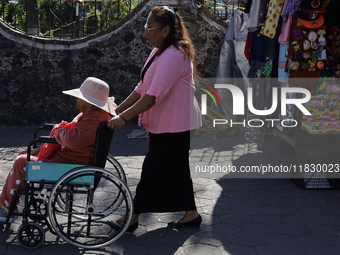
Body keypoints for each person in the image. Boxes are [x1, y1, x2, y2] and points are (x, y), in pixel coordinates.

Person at [107, 6, 202, 232]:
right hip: (167, 123)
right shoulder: (159, 51)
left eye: (150, 28)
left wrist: (123, 118)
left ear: (166, 30)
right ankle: (191, 213)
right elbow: (142, 87)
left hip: (174, 125)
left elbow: (152, 96)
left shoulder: (174, 55)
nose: (146, 32)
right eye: (145, 27)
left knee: (152, 171)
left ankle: (132, 217)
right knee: (177, 169)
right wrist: (116, 109)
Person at [0, 77, 116, 222]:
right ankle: (12, 200)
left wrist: (58, 130)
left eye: (79, 98)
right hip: (70, 162)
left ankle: (6, 207)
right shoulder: (95, 116)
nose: (76, 101)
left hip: (70, 168)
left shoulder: (94, 119)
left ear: (88, 102)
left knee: (22, 162)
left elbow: (72, 139)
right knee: (26, 156)